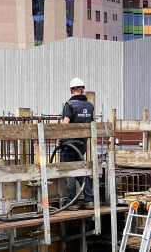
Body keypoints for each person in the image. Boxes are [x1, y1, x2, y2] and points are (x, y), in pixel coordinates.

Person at [60, 77, 95, 211]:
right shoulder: (90, 106)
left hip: (69, 144)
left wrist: (59, 137)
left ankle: (71, 202)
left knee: (70, 171)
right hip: (82, 143)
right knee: (80, 170)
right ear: (82, 89)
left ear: (71, 90)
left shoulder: (69, 105)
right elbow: (90, 123)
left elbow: (66, 123)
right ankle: (89, 199)